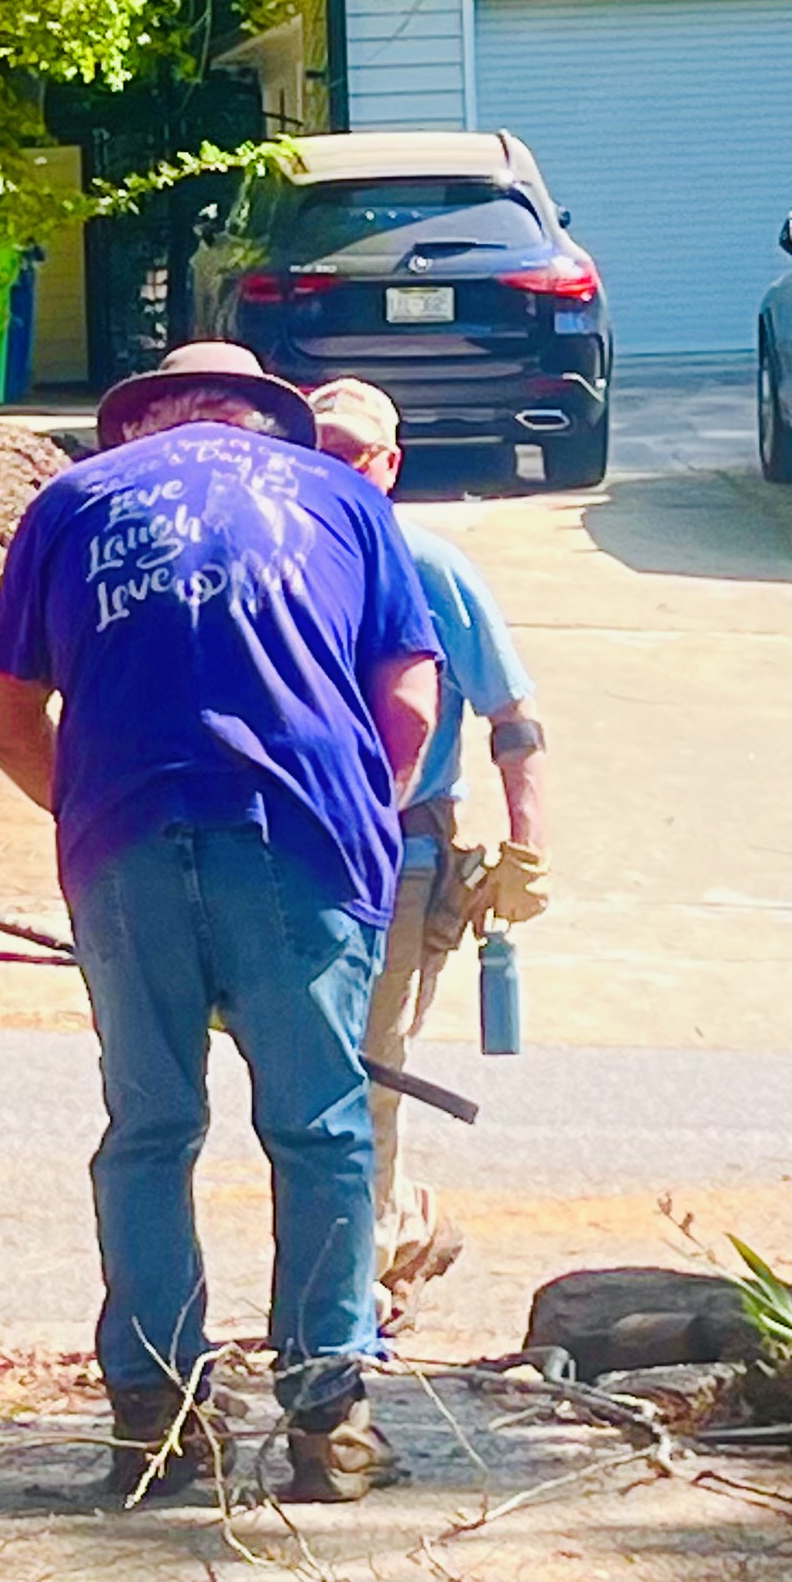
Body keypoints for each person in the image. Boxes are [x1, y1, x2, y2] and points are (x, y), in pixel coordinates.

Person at [0, 342, 439, 1504]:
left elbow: (0, 716)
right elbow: (410, 700)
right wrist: (354, 820)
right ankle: (329, 1415)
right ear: (267, 420)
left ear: (137, 423)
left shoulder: (70, 499)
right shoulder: (339, 494)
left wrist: (84, 809)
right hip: (300, 837)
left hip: (125, 838)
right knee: (321, 1124)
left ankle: (156, 1414)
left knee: (148, 1123)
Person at [307, 380, 549, 1319]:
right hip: (292, 852)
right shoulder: (280, 559)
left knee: (364, 1064)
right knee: (315, 1071)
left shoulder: (428, 567)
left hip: (405, 857)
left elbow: (511, 715)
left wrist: (525, 851)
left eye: (354, 453)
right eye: (317, 446)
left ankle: (351, 1289)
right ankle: (401, 1223)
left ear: (389, 466)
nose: (334, 465)